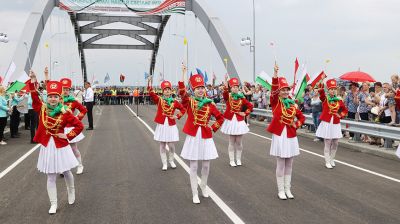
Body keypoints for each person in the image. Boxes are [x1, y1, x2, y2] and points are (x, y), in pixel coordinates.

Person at [29, 69, 84, 214]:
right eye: (50, 96)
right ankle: (53, 204)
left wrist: (68, 135)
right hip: (48, 146)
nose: (53, 99)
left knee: (66, 171)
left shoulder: (65, 112)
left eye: (55, 96)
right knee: (51, 175)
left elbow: (79, 125)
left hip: (61, 146)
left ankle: (71, 191)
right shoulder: (41, 108)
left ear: (60, 98)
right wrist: (33, 81)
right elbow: (34, 97)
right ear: (47, 97)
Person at [178, 64, 224, 204]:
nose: (200, 90)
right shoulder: (190, 101)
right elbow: (182, 94)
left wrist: (213, 127)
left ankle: (203, 186)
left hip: (205, 136)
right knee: (193, 166)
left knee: (206, 165)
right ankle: (194, 192)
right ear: (193, 89)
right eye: (197, 88)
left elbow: (220, 118)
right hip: (193, 136)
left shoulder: (210, 104)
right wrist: (183, 75)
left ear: (205, 89)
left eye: (202, 88)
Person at [268, 64, 305, 200]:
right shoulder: (275, 102)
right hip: (279, 135)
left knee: (290, 162)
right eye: (282, 90)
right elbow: (273, 91)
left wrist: (296, 124)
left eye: (286, 89)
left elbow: (302, 117)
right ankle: (280, 190)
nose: (284, 92)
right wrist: (275, 75)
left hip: (290, 135)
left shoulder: (293, 104)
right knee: (281, 162)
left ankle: (288, 188)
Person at [147, 77, 186, 171]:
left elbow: (183, 109)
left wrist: (177, 116)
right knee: (163, 144)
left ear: (171, 91)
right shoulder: (159, 100)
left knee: (171, 145)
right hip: (162, 124)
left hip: (171, 124)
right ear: (163, 91)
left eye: (169, 90)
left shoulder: (174, 101)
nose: (167, 91)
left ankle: (171, 160)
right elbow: (151, 93)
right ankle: (164, 163)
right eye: (165, 90)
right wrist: (149, 82)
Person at [220, 77, 253, 167]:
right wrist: (226, 84)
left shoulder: (242, 98)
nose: (235, 88)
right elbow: (225, 94)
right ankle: (231, 160)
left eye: (236, 86)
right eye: (233, 87)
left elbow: (250, 106)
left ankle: (238, 159)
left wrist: (245, 113)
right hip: (231, 121)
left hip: (239, 121)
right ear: (231, 88)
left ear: (238, 88)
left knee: (239, 141)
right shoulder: (228, 97)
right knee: (231, 141)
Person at [316, 79, 348, 169]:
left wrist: (340, 115)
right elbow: (321, 92)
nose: (333, 90)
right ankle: (327, 161)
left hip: (335, 123)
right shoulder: (325, 99)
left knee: (336, 142)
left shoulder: (339, 100)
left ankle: (332, 159)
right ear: (328, 90)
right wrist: (321, 81)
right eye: (331, 89)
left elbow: (345, 110)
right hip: (327, 123)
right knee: (328, 142)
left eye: (334, 89)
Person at [61, 78, 88, 174]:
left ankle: (80, 165)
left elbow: (84, 110)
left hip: (70, 127)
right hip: (60, 128)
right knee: (62, 149)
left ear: (69, 90)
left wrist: (77, 118)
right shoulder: (57, 101)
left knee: (73, 148)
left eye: (67, 89)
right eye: (63, 89)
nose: (65, 91)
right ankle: (64, 168)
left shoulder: (73, 101)